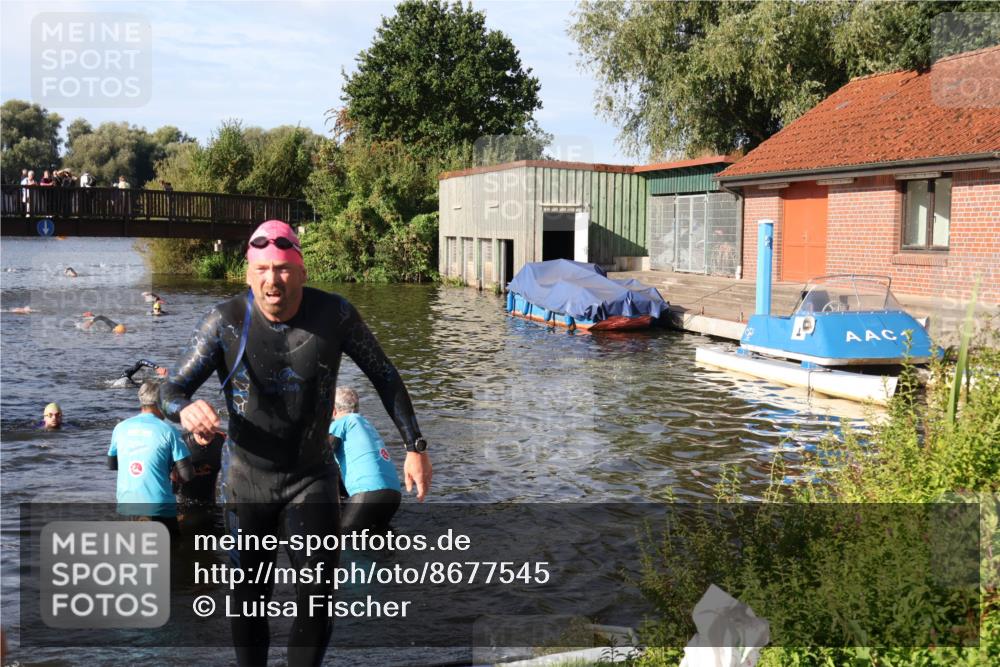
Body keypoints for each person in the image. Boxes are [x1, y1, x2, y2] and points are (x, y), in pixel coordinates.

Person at [159, 219, 432, 666]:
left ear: (302, 271)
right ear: (247, 273)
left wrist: (415, 447)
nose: (273, 280)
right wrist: (183, 410)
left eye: (283, 269)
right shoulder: (224, 321)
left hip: (312, 477)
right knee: (248, 598)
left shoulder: (335, 315)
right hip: (246, 481)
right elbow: (172, 388)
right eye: (262, 269)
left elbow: (384, 374)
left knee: (317, 597)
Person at [108, 380, 192, 538]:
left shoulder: (119, 428)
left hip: (126, 506)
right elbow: (187, 475)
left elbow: (112, 464)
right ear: (161, 404)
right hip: (159, 508)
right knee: (171, 556)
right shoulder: (169, 431)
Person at [329, 387, 402, 534]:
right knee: (376, 540)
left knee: (345, 542)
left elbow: (321, 455)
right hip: (393, 494)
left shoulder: (340, 423)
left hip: (369, 493)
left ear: (333, 410)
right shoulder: (366, 425)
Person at [172, 429, 224, 533]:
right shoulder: (180, 443)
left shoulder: (222, 440)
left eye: (209, 427)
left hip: (209, 503)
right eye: (200, 427)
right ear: (192, 426)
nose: (204, 432)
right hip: (182, 505)